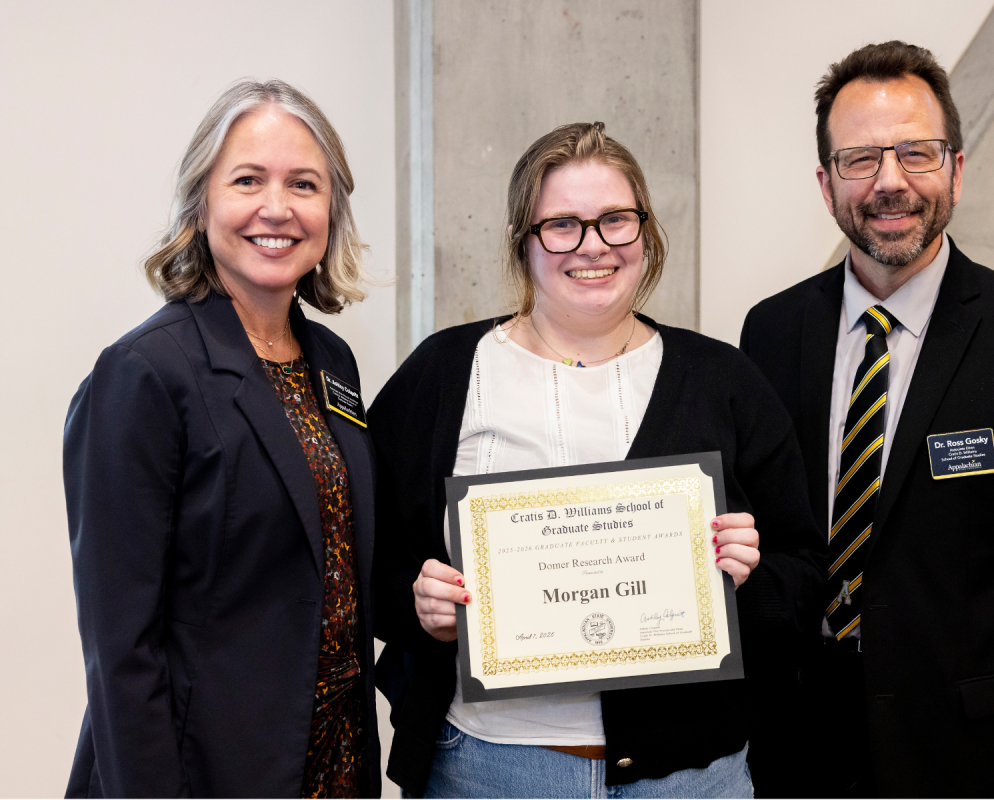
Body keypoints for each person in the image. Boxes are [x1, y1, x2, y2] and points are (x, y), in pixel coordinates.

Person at [369, 121, 828, 798]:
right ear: (523, 242)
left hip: (689, 779)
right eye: (562, 225)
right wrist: (419, 604)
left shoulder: (724, 381)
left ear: (645, 233)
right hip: (489, 770)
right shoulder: (445, 373)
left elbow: (805, 572)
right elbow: (360, 558)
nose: (592, 247)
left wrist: (747, 579)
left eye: (616, 220)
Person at [740, 41, 994, 797]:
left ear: (956, 167)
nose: (890, 182)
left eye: (916, 153)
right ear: (826, 185)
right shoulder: (771, 333)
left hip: (969, 759)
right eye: (860, 160)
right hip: (795, 751)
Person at [64, 79, 380, 798]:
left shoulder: (331, 362)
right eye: (247, 180)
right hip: (203, 774)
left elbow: (334, 561)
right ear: (201, 202)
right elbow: (122, 650)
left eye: (304, 183)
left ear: (332, 209)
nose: (277, 207)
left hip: (331, 765)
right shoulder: (143, 375)